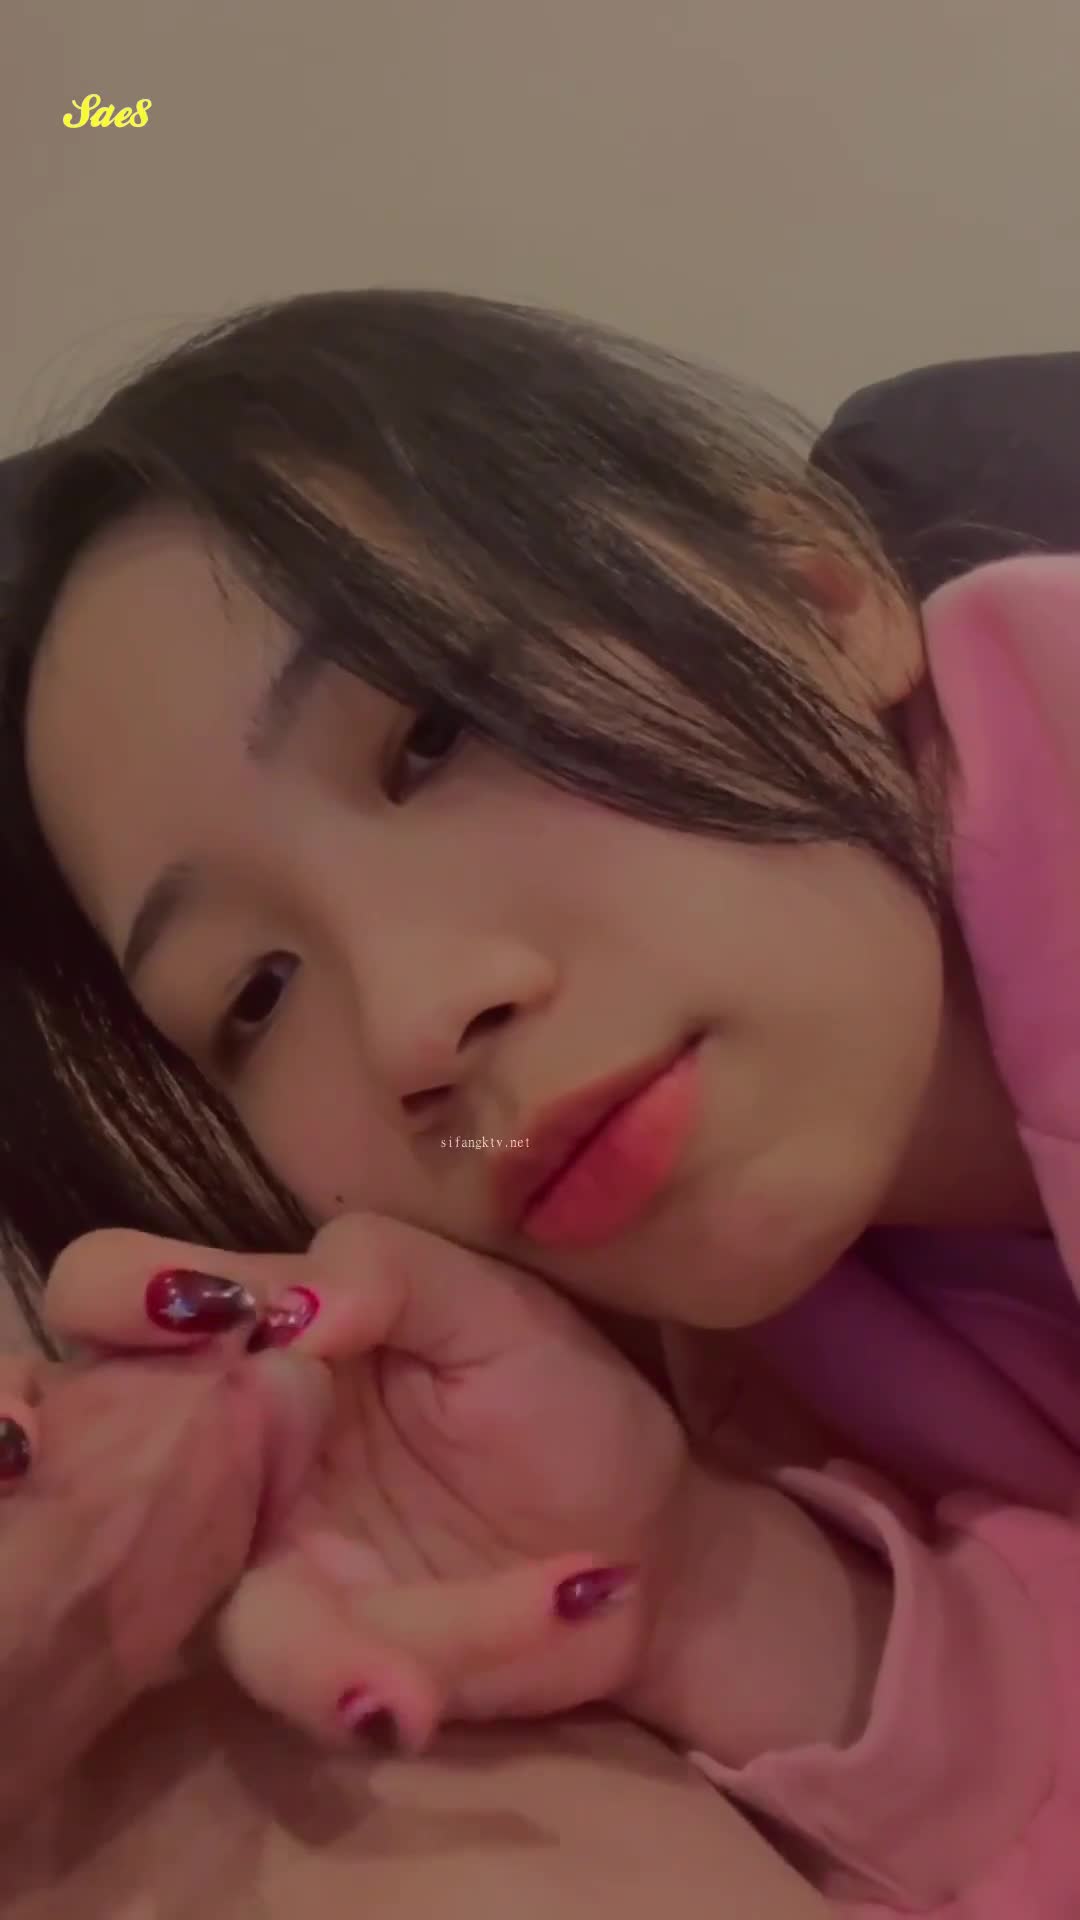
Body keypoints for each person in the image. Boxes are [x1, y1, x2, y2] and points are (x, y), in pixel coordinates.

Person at [4, 290, 1080, 1915]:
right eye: (255, 997)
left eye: (434, 736)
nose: (413, 1023)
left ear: (815, 592)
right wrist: (707, 1584)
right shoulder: (770, 1353)